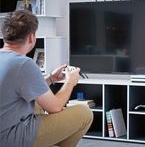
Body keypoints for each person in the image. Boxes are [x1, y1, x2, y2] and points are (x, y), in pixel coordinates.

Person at [0, 10, 93, 147]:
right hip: (10, 137)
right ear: (32, 37)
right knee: (85, 113)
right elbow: (54, 108)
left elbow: (16, 88)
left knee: (36, 102)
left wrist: (50, 79)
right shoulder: (23, 64)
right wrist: (70, 82)